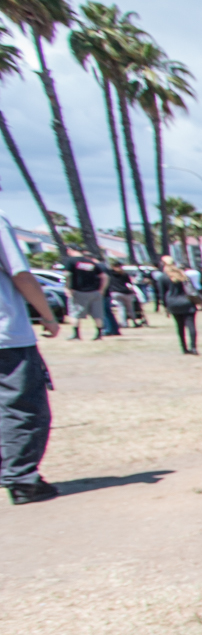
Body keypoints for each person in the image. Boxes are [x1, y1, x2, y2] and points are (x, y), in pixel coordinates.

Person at [0, 210, 64, 503]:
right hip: (6, 335)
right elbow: (21, 274)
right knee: (23, 407)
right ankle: (23, 480)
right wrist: (47, 314)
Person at [64, 248, 116, 339]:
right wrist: (102, 289)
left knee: (75, 313)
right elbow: (104, 276)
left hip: (79, 291)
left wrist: (67, 287)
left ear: (69, 250)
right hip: (95, 292)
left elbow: (67, 275)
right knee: (97, 313)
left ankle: (76, 335)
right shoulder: (90, 262)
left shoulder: (71, 261)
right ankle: (99, 334)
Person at [155, 255, 199, 354]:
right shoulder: (183, 275)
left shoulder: (163, 277)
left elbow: (162, 294)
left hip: (173, 302)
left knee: (180, 326)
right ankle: (194, 347)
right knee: (191, 325)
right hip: (187, 302)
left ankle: (184, 348)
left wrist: (165, 307)